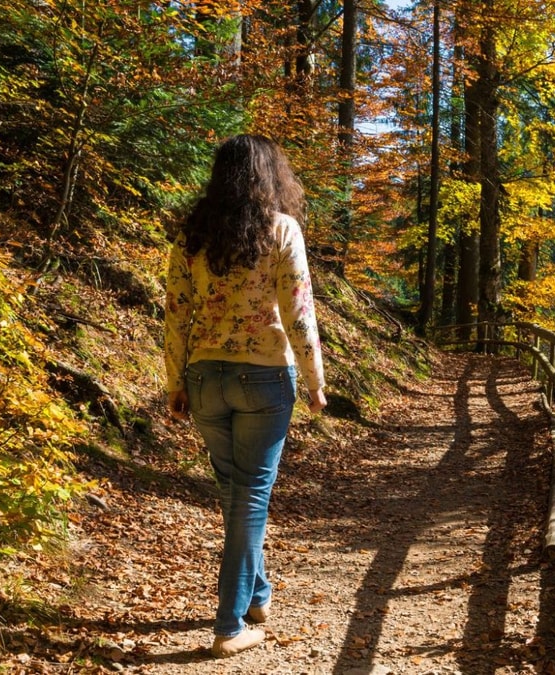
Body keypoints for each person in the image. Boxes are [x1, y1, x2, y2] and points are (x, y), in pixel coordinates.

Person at [164, 134, 327, 658]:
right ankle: (230, 625)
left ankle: (256, 596)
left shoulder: (193, 235)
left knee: (236, 493)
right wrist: (316, 380)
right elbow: (299, 309)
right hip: (264, 377)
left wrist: (174, 381)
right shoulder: (281, 229)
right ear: (270, 176)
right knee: (250, 496)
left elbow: (176, 313)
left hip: (204, 378)